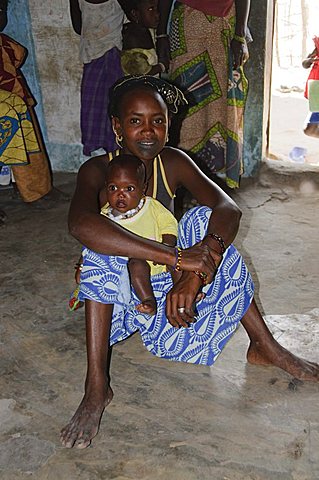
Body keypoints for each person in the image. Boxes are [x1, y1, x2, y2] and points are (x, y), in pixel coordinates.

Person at [60, 75, 319, 450]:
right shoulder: (99, 170)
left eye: (159, 120)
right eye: (135, 120)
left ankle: (264, 346)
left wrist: (192, 275)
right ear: (117, 127)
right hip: (124, 295)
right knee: (97, 250)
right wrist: (178, 257)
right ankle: (97, 386)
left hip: (172, 289)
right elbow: (80, 224)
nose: (149, 131)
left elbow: (228, 208)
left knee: (206, 221)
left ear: (169, 124)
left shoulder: (174, 161)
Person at [156, 0, 251, 188]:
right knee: (185, 106)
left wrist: (239, 35)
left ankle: (212, 182)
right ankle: (183, 179)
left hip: (225, 27)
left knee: (222, 107)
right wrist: (161, 34)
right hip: (187, 25)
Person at [72, 152, 179, 315]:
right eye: (113, 188)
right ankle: (148, 300)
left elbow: (169, 224)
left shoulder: (151, 206)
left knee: (179, 260)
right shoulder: (105, 216)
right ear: (106, 187)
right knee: (137, 264)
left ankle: (182, 289)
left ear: (143, 188)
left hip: (162, 262)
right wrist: (81, 265)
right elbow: (92, 244)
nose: (120, 194)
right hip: (133, 276)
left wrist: (166, 246)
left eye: (129, 188)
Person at [0, 0, 52, 203]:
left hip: (17, 105)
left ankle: (37, 191)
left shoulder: (4, 42)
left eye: (2, 10)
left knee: (28, 152)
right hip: (10, 106)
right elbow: (19, 55)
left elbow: (18, 55)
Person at [69, 0, 124, 156]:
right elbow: (78, 27)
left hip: (114, 54)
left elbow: (133, 15)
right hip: (91, 55)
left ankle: (115, 150)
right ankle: (102, 152)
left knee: (114, 105)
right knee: (92, 106)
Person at [119, 0, 166, 77]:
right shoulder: (132, 38)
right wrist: (162, 66)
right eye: (151, 9)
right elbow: (139, 71)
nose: (157, 14)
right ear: (135, 14)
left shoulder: (148, 30)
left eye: (157, 8)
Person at [302, 35, 319, 139]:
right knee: (309, 129)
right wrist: (309, 61)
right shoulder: (318, 48)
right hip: (316, 90)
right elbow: (304, 64)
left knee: (310, 129)